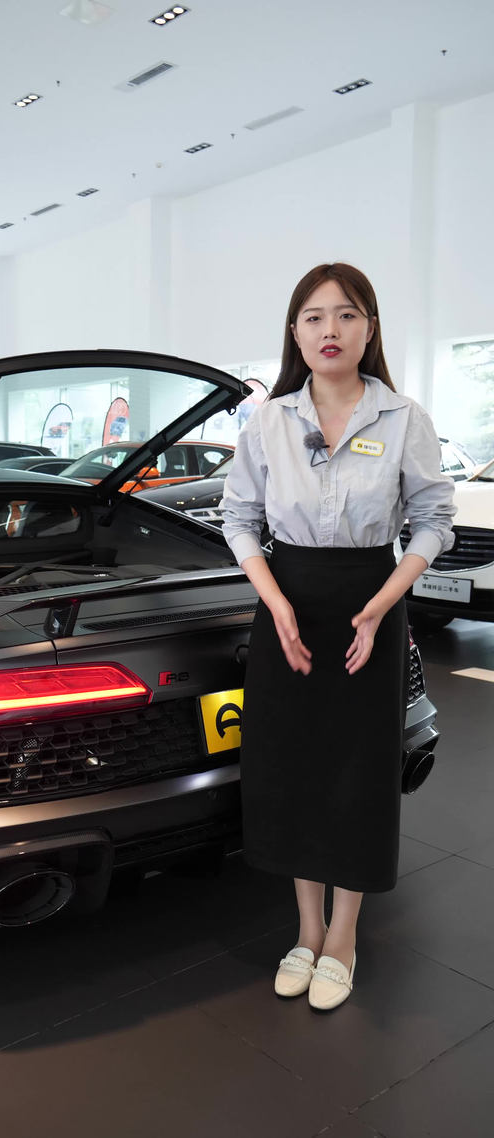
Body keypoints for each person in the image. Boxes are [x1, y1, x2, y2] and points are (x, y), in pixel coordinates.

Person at [219, 263, 456, 1010]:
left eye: (347, 315)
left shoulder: (402, 417)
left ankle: (344, 935)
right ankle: (307, 928)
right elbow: (238, 519)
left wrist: (383, 604)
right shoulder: (268, 421)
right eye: (315, 317)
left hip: (368, 603)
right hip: (287, 606)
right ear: (295, 333)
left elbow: (434, 522)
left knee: (358, 769)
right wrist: (276, 603)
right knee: (293, 767)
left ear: (369, 328)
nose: (331, 330)